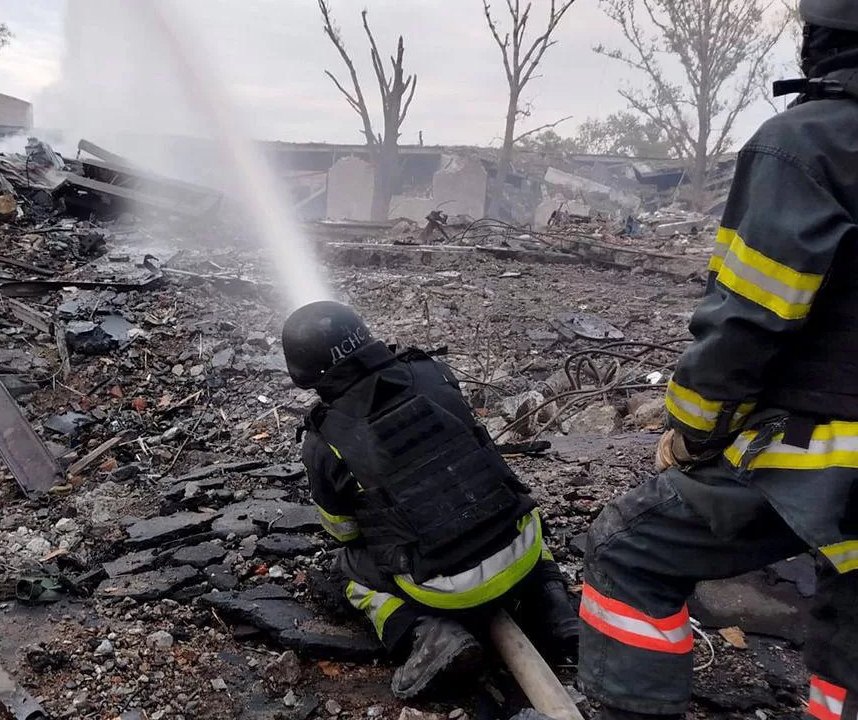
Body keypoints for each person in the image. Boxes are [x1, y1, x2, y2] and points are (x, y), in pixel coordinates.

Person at [578, 3, 858, 719]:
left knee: (627, 550)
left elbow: (748, 318)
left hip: (829, 453)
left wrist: (694, 431)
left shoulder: (807, 144)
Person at [282, 300, 579, 700]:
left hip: (444, 588)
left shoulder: (324, 440)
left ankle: (427, 634)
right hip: (521, 550)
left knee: (349, 570)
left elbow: (343, 531)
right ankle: (554, 606)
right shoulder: (433, 372)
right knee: (519, 510)